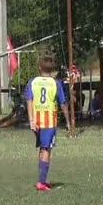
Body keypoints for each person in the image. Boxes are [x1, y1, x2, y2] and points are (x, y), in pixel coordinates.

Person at [26, 56, 73, 191]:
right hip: (49, 122)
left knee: (42, 148)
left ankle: (43, 178)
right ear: (52, 69)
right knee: (47, 149)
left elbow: (29, 100)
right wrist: (68, 122)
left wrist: (31, 120)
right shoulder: (55, 83)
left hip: (37, 121)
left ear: (39, 67)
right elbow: (63, 103)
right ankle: (41, 182)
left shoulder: (32, 82)